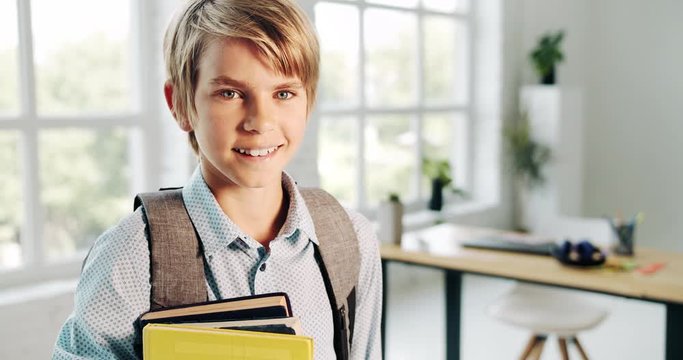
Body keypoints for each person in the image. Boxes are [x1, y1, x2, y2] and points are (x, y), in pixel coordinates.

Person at [52, 0, 382, 359]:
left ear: (309, 101)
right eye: (230, 94)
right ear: (180, 103)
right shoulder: (131, 255)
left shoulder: (351, 239)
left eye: (283, 93)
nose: (260, 121)